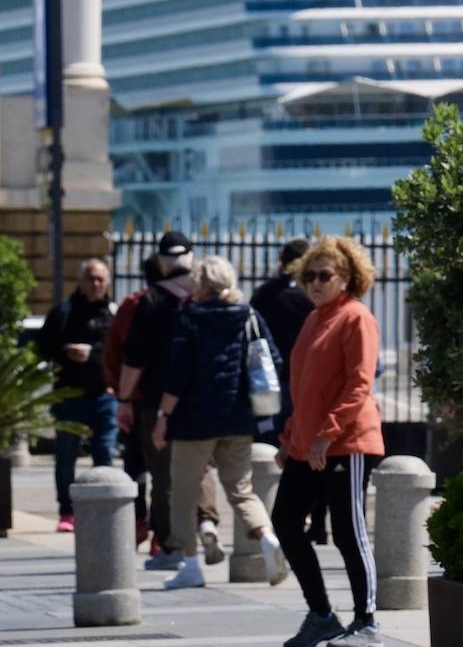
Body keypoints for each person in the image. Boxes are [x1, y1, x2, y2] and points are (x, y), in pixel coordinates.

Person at [273, 236, 385, 647]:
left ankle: (367, 622)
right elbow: (304, 390)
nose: (315, 283)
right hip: (308, 445)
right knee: (285, 521)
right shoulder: (313, 319)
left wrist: (327, 433)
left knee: (348, 532)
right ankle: (321, 613)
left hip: (348, 443)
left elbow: (359, 383)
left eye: (325, 275)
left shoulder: (356, 317)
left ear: (347, 277)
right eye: (309, 276)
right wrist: (290, 438)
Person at [151, 255, 287, 590]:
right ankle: (268, 538)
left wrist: (162, 416)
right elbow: (275, 359)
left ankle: (191, 564)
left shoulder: (191, 320)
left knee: (184, 491)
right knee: (241, 490)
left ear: (202, 284)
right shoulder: (249, 316)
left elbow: (178, 376)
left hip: (194, 422)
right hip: (239, 418)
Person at [117, 231, 221, 569]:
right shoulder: (208, 294)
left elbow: (134, 358)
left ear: (161, 262)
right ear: (192, 257)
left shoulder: (151, 301)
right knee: (202, 464)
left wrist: (123, 398)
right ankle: (207, 521)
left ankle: (172, 544)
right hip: (202, 397)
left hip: (157, 398)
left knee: (163, 473)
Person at [252, 238, 328, 543]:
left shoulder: (266, 294)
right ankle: (318, 524)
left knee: (274, 449)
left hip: (275, 381)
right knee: (315, 452)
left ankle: (279, 516)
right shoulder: (316, 298)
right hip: (313, 380)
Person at [37, 258, 118, 532]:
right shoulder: (64, 311)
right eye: (90, 278)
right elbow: (43, 348)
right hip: (69, 395)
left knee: (104, 454)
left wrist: (94, 357)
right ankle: (67, 511)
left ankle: (104, 507)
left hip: (103, 397)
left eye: (100, 279)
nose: (96, 284)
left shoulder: (113, 312)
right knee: (66, 455)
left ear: (107, 282)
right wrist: (65, 352)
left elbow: (121, 353)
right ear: (81, 281)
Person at [104, 254, 163, 547]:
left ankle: (138, 521)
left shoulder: (131, 305)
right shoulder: (182, 302)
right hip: (169, 400)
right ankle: (160, 533)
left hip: (137, 398)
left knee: (136, 465)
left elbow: (113, 352)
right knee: (165, 470)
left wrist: (120, 392)